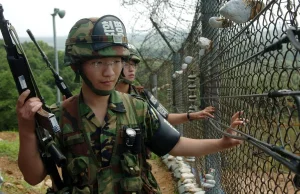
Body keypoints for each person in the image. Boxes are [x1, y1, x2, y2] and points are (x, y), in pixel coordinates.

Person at [17, 15, 246, 193]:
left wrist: (221, 143)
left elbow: (175, 144)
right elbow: (33, 176)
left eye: (116, 61)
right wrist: (27, 130)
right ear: (77, 66)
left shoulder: (137, 108)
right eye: (97, 62)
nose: (109, 72)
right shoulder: (59, 117)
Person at [115, 44, 215, 125]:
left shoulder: (142, 94)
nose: (131, 69)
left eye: (133, 65)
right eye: (126, 65)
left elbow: (165, 117)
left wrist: (192, 115)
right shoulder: (105, 96)